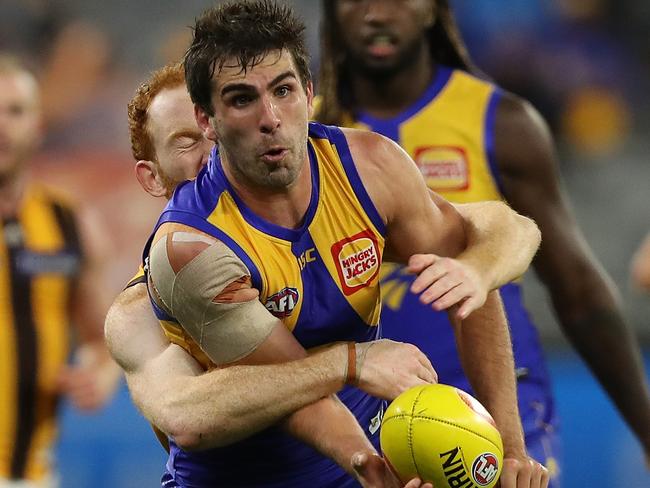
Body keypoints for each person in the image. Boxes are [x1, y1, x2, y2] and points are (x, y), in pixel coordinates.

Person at [138, 2, 548, 487]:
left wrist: (510, 448)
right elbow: (295, 390)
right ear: (206, 120)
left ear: (310, 94)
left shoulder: (370, 167)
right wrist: (368, 452)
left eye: (284, 90)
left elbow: (472, 272)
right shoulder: (192, 246)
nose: (270, 118)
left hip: (356, 465)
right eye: (242, 99)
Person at [315, 0, 650, 483]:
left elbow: (577, 289)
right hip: (368, 417)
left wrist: (646, 426)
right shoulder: (301, 140)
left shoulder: (502, 122)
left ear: (435, 8)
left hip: (502, 411)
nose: (377, 12)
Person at [0, 54, 120, 487]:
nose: (2, 125)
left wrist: (98, 374)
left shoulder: (69, 222)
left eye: (15, 111)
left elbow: (100, 341)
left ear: (38, 127)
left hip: (30, 474)